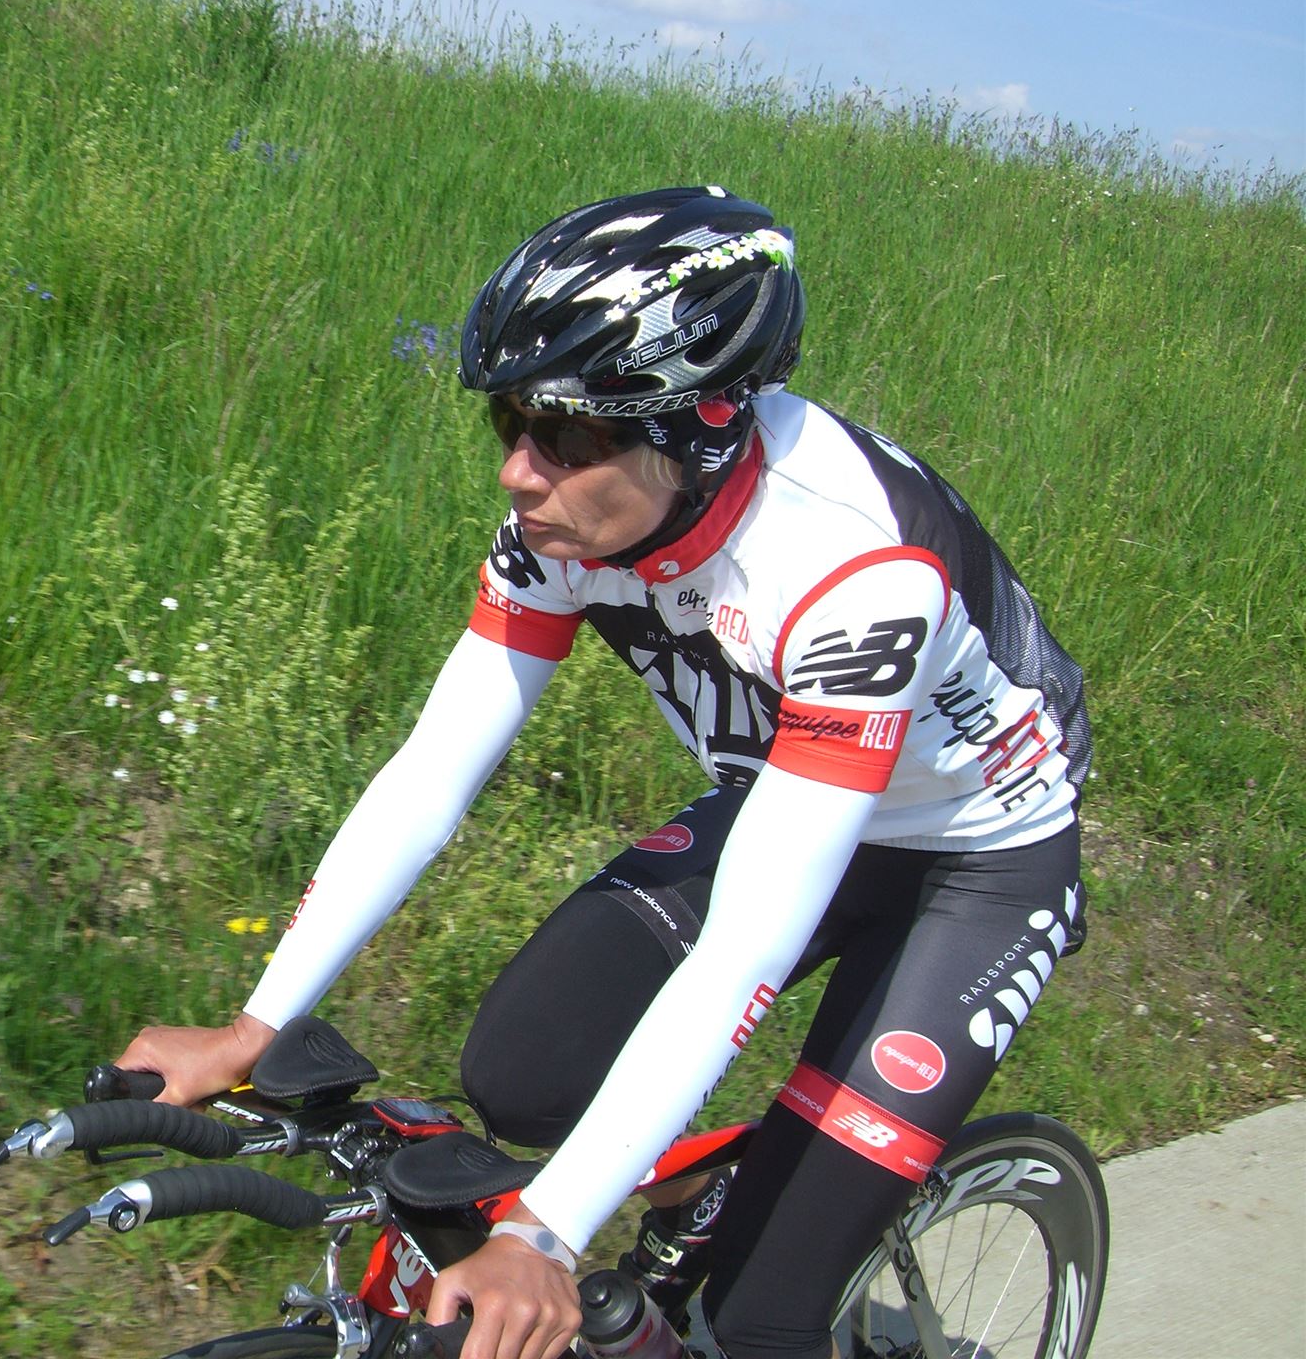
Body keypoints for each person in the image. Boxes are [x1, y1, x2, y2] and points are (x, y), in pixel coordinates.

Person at [115, 186, 1090, 1359]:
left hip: (975, 868)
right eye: (510, 425)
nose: (519, 474)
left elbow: (746, 948)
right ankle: (704, 1192)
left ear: (700, 429)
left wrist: (545, 1233)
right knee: (523, 1074)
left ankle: (768, 1261)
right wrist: (252, 1027)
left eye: (568, 439)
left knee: (760, 1320)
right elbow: (430, 777)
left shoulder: (852, 568)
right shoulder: (567, 531)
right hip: (796, 798)